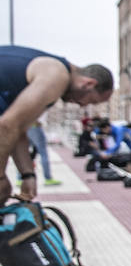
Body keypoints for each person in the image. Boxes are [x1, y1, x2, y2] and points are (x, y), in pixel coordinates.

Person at [0, 46, 113, 201]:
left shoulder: (53, 74)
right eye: (90, 101)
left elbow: (17, 129)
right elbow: (6, 126)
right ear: (89, 84)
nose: (82, 106)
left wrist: (28, 175)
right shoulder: (57, 76)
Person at [26, 121, 59, 186]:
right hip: (35, 126)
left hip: (26, 127)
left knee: (23, 152)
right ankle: (48, 178)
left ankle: (20, 178)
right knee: (43, 153)